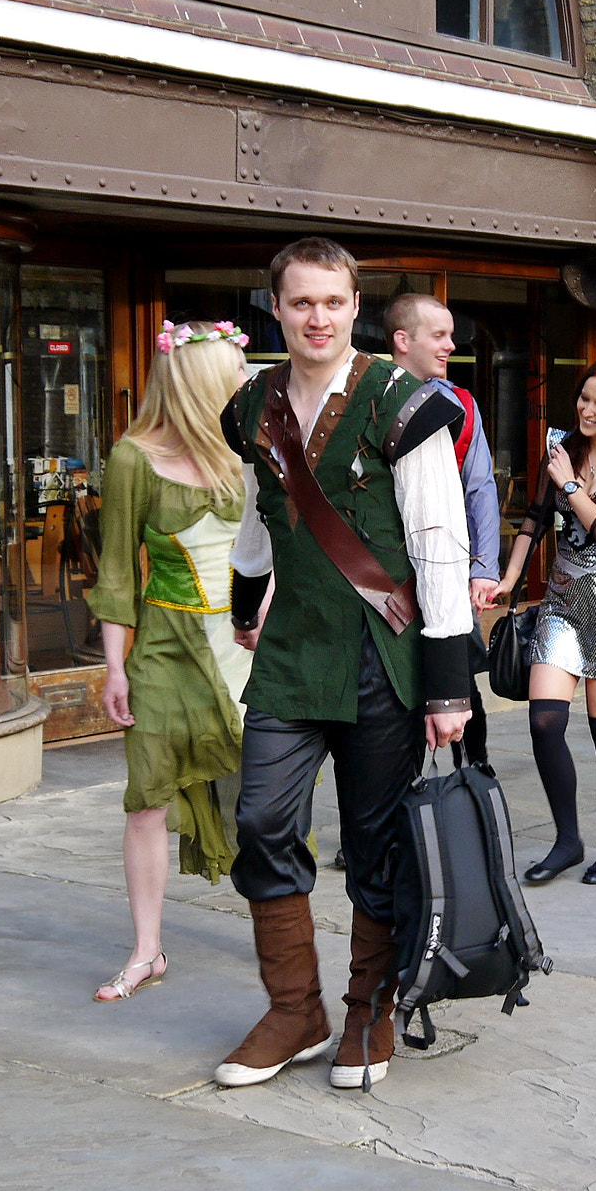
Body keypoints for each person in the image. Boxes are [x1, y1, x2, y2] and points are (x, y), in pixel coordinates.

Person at [214, 237, 475, 1091]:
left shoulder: (401, 400)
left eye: (331, 302)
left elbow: (440, 543)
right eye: (300, 303)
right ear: (277, 309)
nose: (316, 317)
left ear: (354, 307)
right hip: (292, 653)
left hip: (381, 655)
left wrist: (447, 681)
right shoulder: (253, 403)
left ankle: (371, 1004)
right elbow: (263, 513)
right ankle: (297, 1008)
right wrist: (247, 598)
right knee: (260, 820)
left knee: (373, 841)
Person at [85, 320, 253, 1002]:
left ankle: (275, 926)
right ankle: (146, 949)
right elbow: (118, 572)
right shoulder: (132, 457)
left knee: (269, 801)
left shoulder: (252, 451)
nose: (248, 385)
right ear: (203, 385)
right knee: (147, 802)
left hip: (247, 651)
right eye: (236, 375)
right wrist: (115, 667)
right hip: (161, 650)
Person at [494, 355, 596, 887]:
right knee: (544, 720)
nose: (587, 410)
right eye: (584, 398)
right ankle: (567, 840)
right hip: (562, 602)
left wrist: (571, 486)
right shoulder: (563, 448)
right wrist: (508, 578)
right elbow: (534, 521)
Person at [388, 292, 504, 763]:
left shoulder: (462, 404)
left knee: (461, 689)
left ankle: (470, 781)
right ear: (402, 340)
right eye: (439, 336)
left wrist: (484, 568)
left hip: (449, 573)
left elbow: (481, 490)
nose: (451, 346)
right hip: (386, 580)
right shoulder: (366, 401)